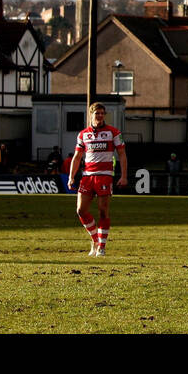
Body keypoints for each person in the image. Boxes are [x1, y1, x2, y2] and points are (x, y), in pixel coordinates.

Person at [68, 102, 128, 257]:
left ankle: (101, 247)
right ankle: (95, 240)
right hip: (87, 176)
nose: (100, 116)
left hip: (105, 176)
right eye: (97, 113)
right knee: (81, 210)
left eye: (102, 113)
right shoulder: (83, 134)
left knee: (103, 211)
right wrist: (71, 176)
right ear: (91, 114)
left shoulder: (113, 132)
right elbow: (77, 157)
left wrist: (124, 176)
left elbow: (122, 154)